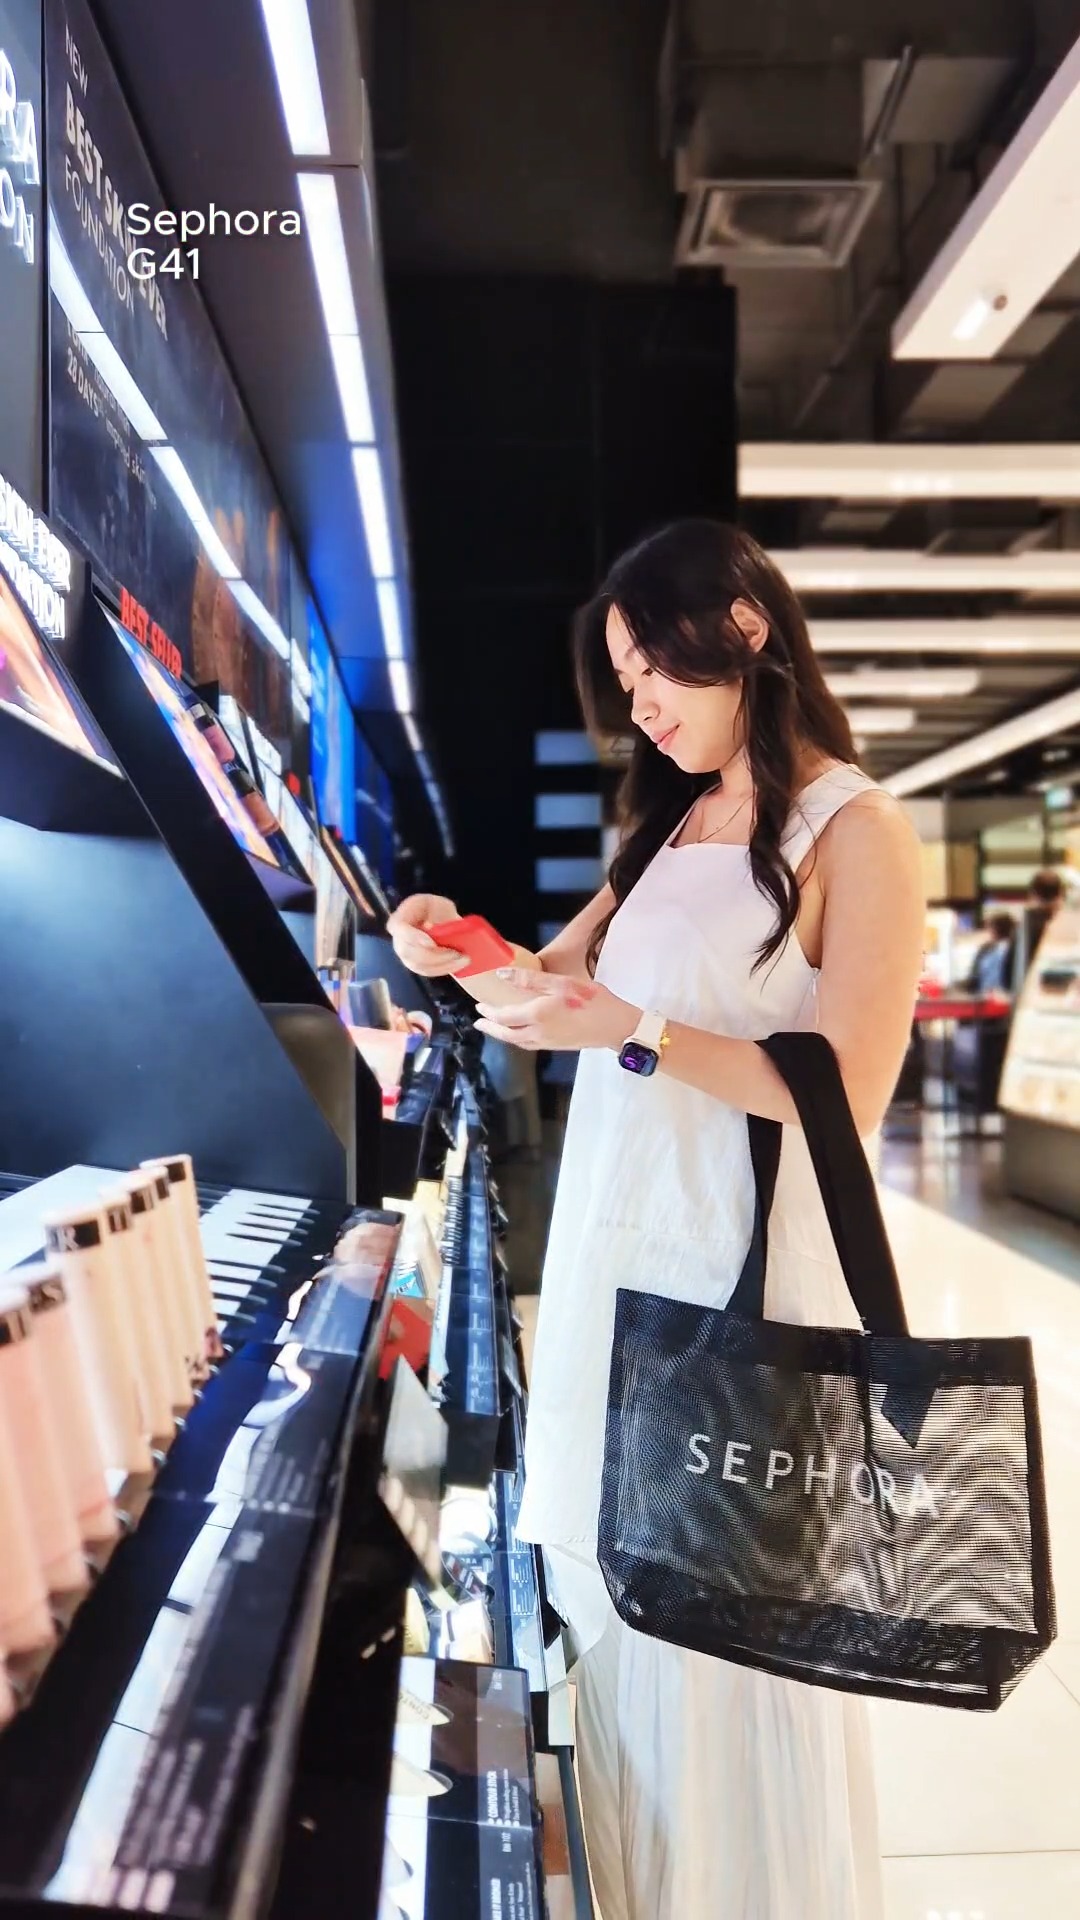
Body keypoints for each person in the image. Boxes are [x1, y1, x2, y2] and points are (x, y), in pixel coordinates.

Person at [388, 520, 924, 1920]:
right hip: (614, 1264)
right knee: (611, 1621)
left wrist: (632, 1032)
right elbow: (541, 989)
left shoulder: (853, 831)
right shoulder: (668, 827)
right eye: (623, 685)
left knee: (725, 1658)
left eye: (650, 675)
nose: (639, 706)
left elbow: (844, 1091)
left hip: (740, 1279)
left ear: (742, 630)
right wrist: (452, 946)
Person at [965, 910, 1016, 995]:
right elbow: (974, 975)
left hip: (1005, 997)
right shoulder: (985, 949)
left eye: (992, 927)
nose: (990, 931)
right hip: (984, 996)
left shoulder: (1014, 949)